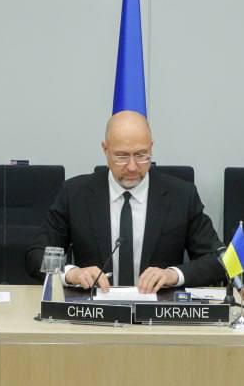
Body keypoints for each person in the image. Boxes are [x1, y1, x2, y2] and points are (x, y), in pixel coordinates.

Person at [25, 111, 225, 294]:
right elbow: (36, 255)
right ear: (105, 150)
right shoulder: (75, 194)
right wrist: (71, 273)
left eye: (141, 155)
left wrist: (173, 275)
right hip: (93, 311)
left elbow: (219, 260)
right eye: (121, 156)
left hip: (158, 311)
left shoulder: (181, 195)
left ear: (151, 147)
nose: (132, 167)